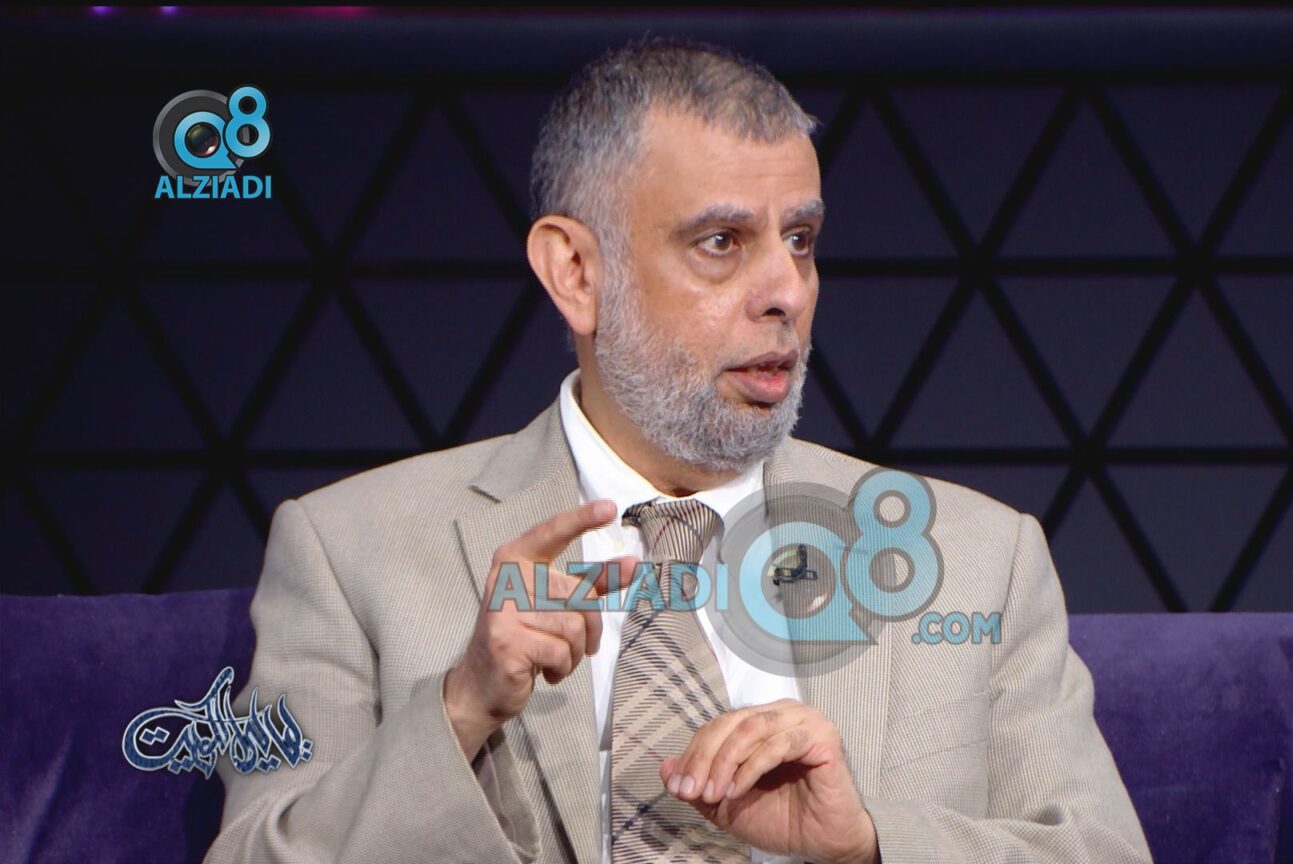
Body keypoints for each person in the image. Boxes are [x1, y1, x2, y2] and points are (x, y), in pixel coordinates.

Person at [206, 37, 1150, 864]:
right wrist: (459, 710)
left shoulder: (977, 558)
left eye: (801, 239)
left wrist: (868, 846)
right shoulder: (349, 551)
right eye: (721, 242)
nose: (787, 290)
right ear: (576, 272)